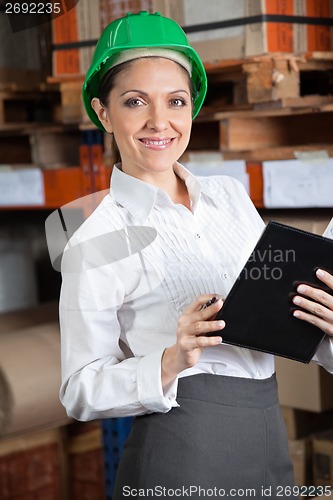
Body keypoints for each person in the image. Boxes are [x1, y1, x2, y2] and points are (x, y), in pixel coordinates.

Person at [59, 11, 333, 499]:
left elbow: (276, 317)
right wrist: (171, 358)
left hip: (269, 442)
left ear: (192, 108)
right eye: (135, 102)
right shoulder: (96, 239)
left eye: (176, 101)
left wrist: (324, 318)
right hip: (181, 455)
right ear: (103, 113)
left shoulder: (229, 197)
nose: (158, 122)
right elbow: (79, 391)